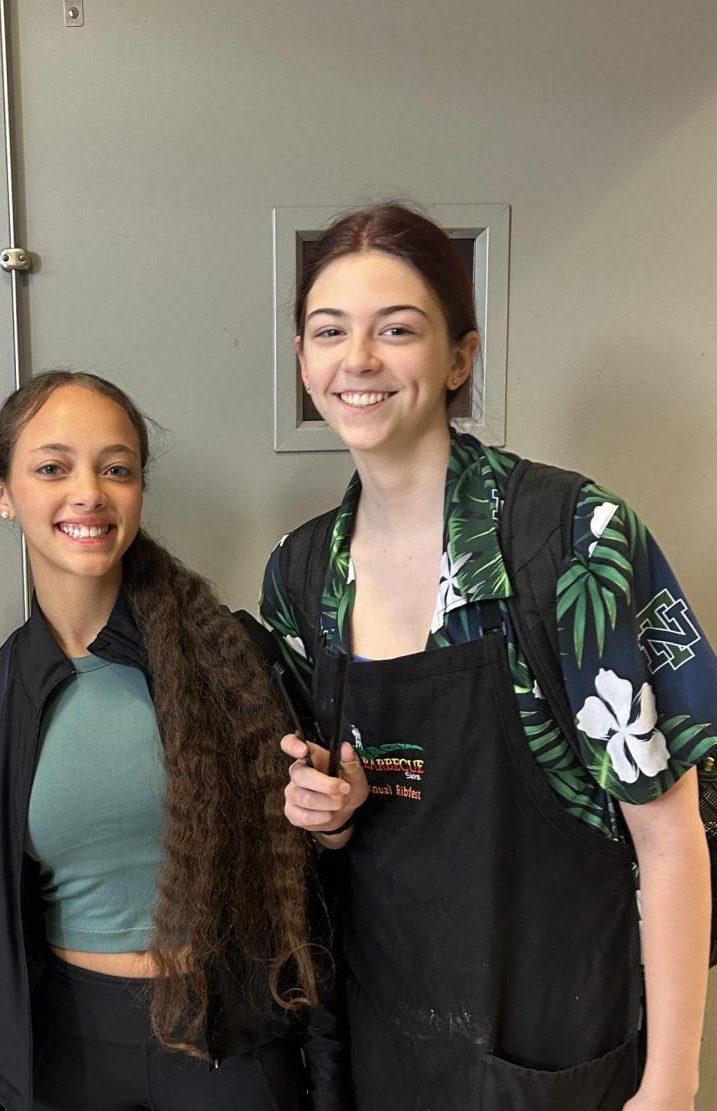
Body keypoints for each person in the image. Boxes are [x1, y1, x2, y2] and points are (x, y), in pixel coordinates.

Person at [260, 204, 715, 1110]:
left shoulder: (575, 538)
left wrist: (669, 1083)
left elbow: (671, 834)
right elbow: (332, 824)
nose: (358, 360)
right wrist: (330, 810)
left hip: (558, 1051)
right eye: (328, 331)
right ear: (306, 360)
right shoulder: (303, 571)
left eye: (397, 330)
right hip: (387, 1046)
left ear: (459, 357)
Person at [0, 371, 328, 1111]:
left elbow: (306, 889)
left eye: (115, 468)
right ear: (1, 491)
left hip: (231, 1040)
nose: (88, 491)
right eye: (53, 467)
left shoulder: (227, 659)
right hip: (68, 1050)